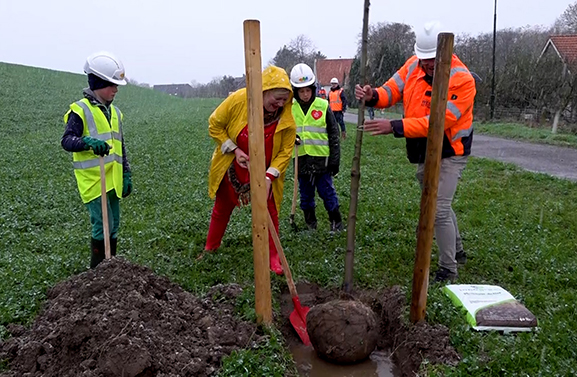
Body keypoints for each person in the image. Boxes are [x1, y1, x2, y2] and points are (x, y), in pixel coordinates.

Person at [355, 21, 476, 283]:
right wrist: (373, 95)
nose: (428, 64)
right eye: (424, 59)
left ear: (446, 53)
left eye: (433, 59)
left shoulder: (462, 80)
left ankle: (448, 269)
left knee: (438, 207)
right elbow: (391, 90)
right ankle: (457, 249)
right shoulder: (413, 65)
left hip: (450, 149)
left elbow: (440, 122)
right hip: (423, 147)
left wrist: (394, 127)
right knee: (435, 200)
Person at [205, 66, 296, 275]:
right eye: (277, 98)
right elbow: (214, 125)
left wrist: (268, 177)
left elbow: (284, 152)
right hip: (233, 167)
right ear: (264, 90)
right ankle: (211, 248)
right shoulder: (238, 100)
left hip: (266, 174)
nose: (280, 104)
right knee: (222, 208)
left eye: (285, 99)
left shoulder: (286, 118)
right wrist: (234, 150)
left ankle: (273, 257)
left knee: (270, 213)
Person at [61, 51, 132, 269]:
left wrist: (127, 172)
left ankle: (111, 268)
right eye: (111, 85)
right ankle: (97, 271)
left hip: (113, 179)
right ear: (97, 83)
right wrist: (88, 143)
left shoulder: (116, 113)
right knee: (102, 225)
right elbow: (67, 140)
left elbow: (121, 146)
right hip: (93, 181)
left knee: (114, 224)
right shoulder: (80, 110)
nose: (115, 89)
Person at [289, 63, 343, 232]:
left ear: (313, 88)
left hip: (322, 160)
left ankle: (336, 222)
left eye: (307, 90)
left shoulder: (323, 105)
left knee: (327, 193)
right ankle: (310, 224)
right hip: (301, 160)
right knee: (305, 196)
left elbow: (334, 134)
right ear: (295, 91)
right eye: (301, 91)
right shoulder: (289, 108)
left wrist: (335, 160)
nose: (305, 95)